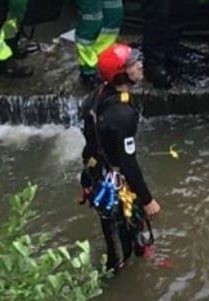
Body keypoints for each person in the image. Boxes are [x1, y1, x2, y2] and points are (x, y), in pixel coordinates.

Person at [79, 42, 162, 272]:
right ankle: (119, 271)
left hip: (97, 172)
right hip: (114, 179)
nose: (140, 66)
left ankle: (140, 250)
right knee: (117, 236)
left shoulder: (95, 97)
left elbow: (90, 143)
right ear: (121, 74)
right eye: (135, 65)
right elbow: (128, 163)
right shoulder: (121, 115)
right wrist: (148, 200)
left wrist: (86, 179)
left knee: (126, 220)